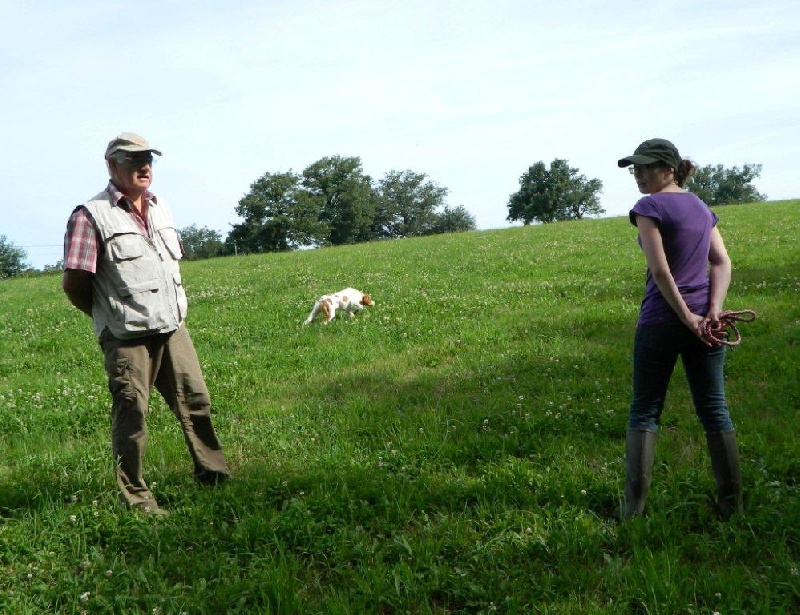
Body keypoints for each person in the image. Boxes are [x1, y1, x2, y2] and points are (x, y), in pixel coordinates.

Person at [62, 132, 230, 515]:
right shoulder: (90, 216)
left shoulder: (160, 207)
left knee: (196, 401)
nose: (144, 167)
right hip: (126, 337)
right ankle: (136, 497)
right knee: (132, 413)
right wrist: (108, 318)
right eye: (133, 160)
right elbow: (74, 284)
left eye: (148, 160)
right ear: (111, 165)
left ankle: (214, 472)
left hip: (172, 327)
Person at [617, 138, 741, 519]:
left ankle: (632, 513)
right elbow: (722, 262)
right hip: (707, 323)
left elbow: (660, 270)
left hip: (660, 321)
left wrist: (688, 316)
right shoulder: (702, 207)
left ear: (668, 169)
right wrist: (712, 312)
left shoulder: (648, 207)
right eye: (634, 168)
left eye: (646, 167)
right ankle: (731, 507)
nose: (638, 175)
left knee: (645, 410)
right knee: (714, 409)